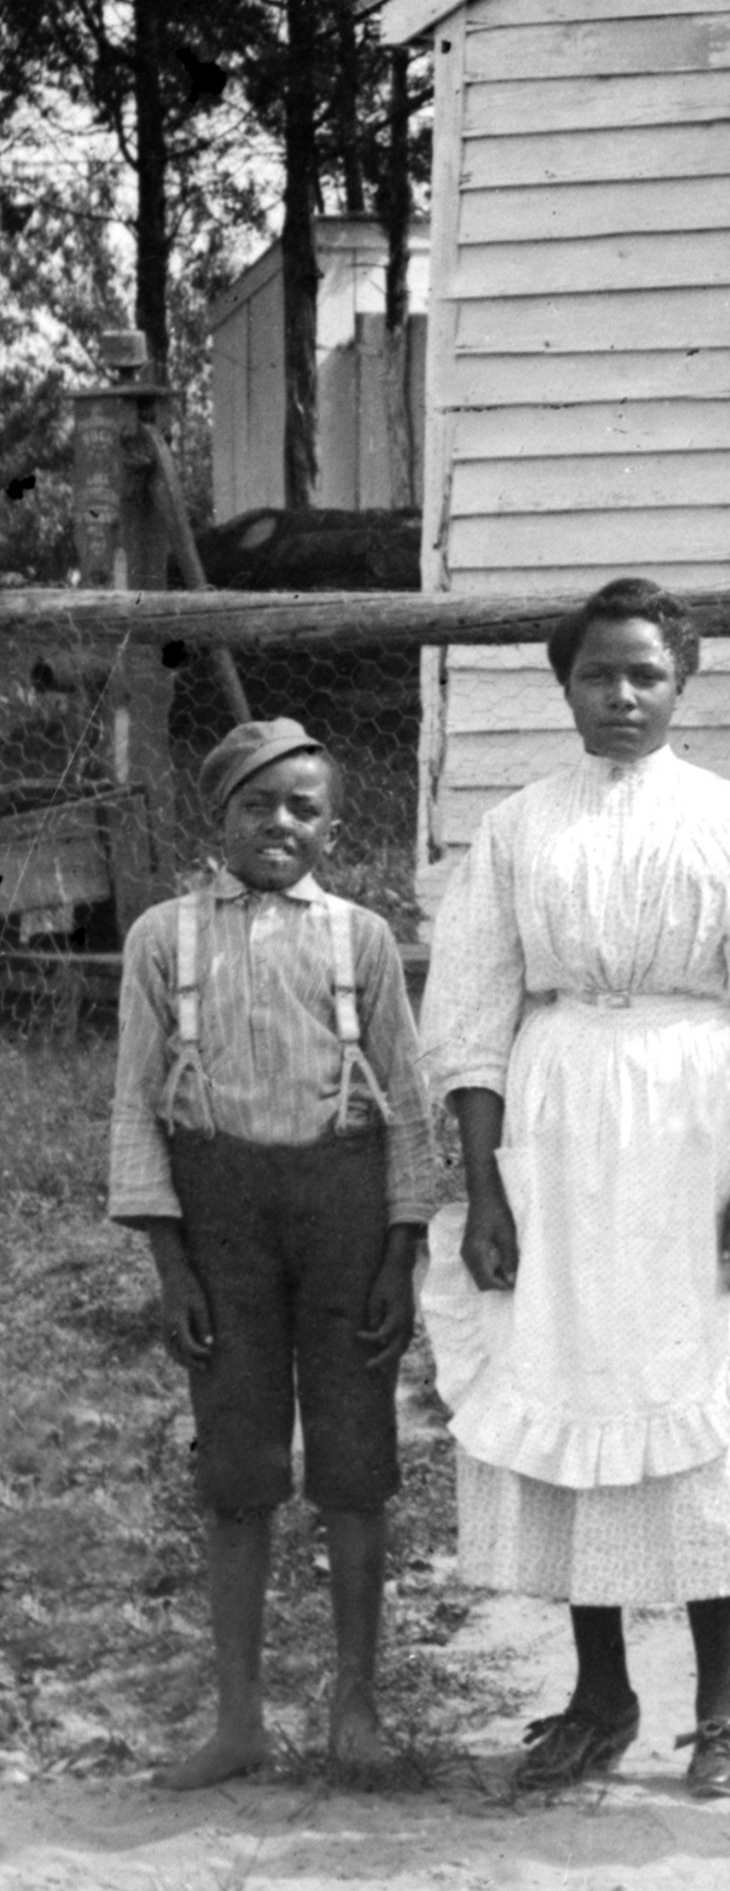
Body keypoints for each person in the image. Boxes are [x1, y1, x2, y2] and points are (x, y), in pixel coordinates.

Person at [417, 577, 730, 1799]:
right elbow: (474, 1017)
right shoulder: (516, 828)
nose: (621, 694)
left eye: (645, 672)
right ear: (566, 685)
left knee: (697, 1386)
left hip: (689, 1128)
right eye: (598, 673)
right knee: (566, 1376)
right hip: (554, 1130)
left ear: (681, 680)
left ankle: (723, 1703)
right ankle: (600, 1688)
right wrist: (485, 1189)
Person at [109, 718, 435, 1788]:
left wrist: (401, 1251)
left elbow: (409, 1109)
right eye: (259, 805)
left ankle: (355, 1703)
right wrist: (172, 1262)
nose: (281, 825)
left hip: (342, 1208)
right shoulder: (163, 937)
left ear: (333, 824)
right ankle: (239, 1715)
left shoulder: (363, 939)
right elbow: (134, 1110)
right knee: (239, 1468)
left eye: (304, 806)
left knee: (354, 1462)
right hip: (221, 1218)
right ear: (221, 818)